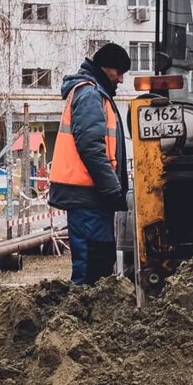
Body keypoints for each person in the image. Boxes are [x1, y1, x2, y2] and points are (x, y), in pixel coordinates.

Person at [48, 43, 131, 285]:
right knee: (90, 268)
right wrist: (112, 188)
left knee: (98, 263)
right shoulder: (90, 95)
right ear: (105, 68)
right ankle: (82, 305)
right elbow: (91, 147)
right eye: (119, 72)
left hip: (92, 195)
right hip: (88, 195)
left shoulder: (95, 93)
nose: (121, 79)